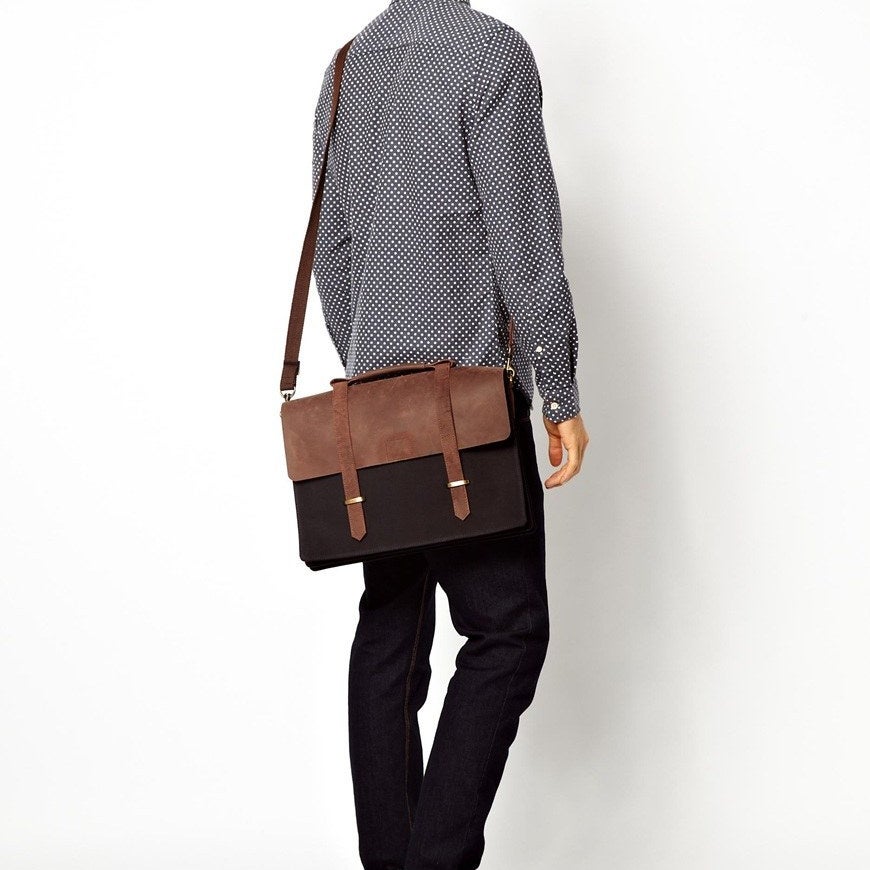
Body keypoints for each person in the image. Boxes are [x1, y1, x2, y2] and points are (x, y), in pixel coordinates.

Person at [309, 0, 589, 867]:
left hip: (376, 415)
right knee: (508, 631)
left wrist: (377, 374)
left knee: (391, 634)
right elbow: (523, 243)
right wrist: (558, 391)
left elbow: (333, 257)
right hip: (470, 410)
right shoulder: (491, 54)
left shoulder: (346, 67)